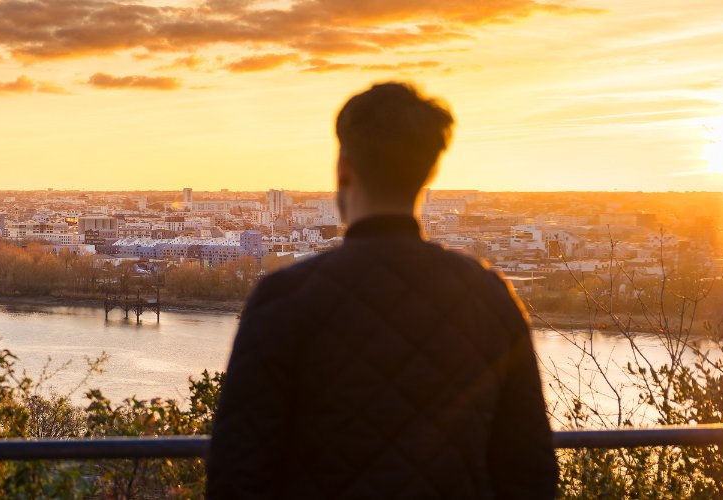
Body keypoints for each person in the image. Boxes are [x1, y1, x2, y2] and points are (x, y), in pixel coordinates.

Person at [206, 82, 558, 498]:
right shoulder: (489, 298)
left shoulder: (283, 300)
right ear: (427, 173)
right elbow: (529, 470)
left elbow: (236, 474)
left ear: (344, 170)